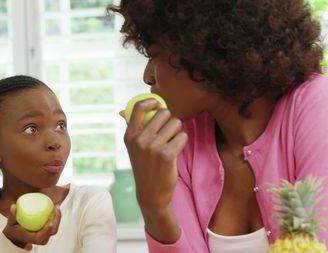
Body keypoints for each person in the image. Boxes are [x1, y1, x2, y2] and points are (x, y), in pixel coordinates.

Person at [108, 0, 328, 252]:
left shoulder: (317, 105)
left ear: (200, 52)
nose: (147, 76)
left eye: (154, 55)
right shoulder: (177, 139)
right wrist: (153, 205)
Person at [0, 62, 117, 253]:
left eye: (60, 125)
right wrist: (11, 242)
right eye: (31, 128)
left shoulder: (90, 203)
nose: (55, 142)